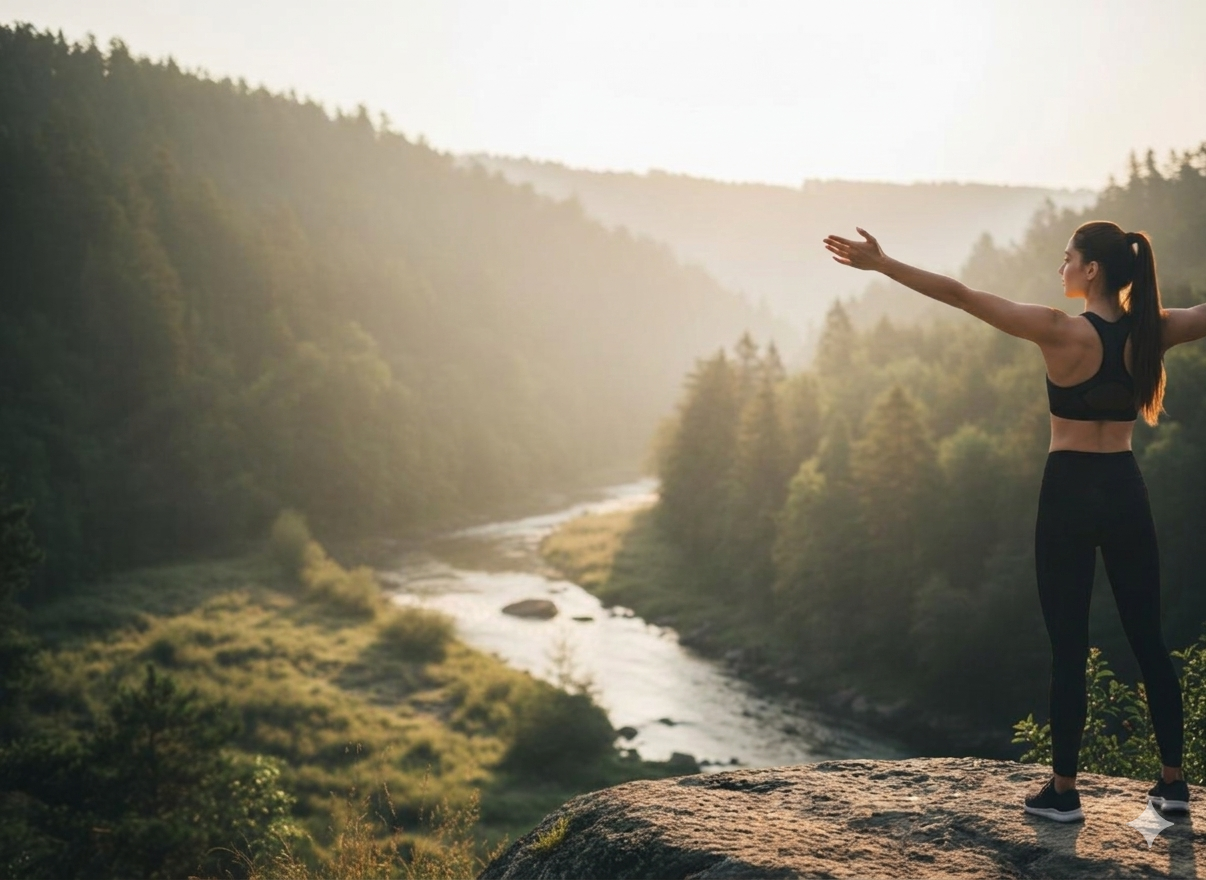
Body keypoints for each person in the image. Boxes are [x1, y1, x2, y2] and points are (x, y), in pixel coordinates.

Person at [822, 221, 1203, 823]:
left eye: (1068, 258)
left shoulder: (1057, 330)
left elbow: (962, 295)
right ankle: (1174, 787)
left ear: (1092, 270)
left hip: (1070, 494)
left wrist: (885, 264)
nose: (1062, 268)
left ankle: (1064, 791)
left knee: (1069, 646)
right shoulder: (1155, 331)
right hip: (1126, 490)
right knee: (1149, 641)